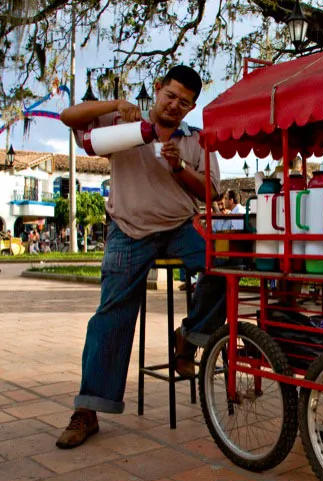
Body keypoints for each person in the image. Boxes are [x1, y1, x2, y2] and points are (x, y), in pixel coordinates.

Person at [55, 65, 224, 449]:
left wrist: (179, 167)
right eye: (171, 96)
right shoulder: (121, 122)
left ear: (192, 106)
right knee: (112, 313)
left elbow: (211, 193)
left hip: (181, 227)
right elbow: (68, 118)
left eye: (185, 102)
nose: (175, 105)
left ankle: (190, 337)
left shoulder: (197, 140)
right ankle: (88, 410)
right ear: (158, 89)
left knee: (223, 265)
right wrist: (117, 103)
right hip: (128, 228)